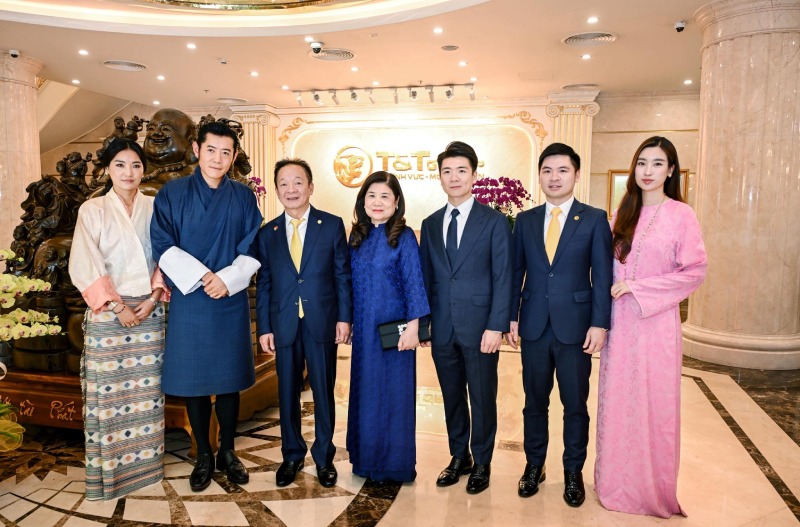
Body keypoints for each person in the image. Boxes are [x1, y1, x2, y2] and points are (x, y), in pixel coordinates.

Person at [594, 136, 707, 518]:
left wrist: (639, 288)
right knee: (618, 404)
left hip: (657, 327)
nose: (647, 171)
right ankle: (615, 484)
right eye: (642, 162)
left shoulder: (682, 215)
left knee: (654, 406)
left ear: (670, 170)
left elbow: (695, 271)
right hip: (620, 327)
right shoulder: (621, 214)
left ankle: (650, 489)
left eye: (657, 163)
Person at [150, 121, 262, 492]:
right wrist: (202, 277)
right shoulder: (172, 192)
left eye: (226, 152)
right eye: (211, 150)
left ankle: (228, 451)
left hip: (228, 297)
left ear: (234, 156)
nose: (217, 158)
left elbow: (253, 244)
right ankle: (203, 455)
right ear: (197, 149)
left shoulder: (243, 196)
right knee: (195, 380)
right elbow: (162, 243)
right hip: (192, 298)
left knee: (229, 382)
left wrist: (226, 279)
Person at [508, 142, 612, 507]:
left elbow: (603, 275)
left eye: (563, 170)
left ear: (576, 175)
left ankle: (573, 472)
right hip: (534, 325)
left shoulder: (594, 218)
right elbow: (515, 272)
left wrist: (600, 323)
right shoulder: (525, 220)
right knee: (534, 402)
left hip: (576, 328)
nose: (554, 177)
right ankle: (534, 466)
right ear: (539, 175)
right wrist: (511, 316)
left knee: (575, 404)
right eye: (547, 171)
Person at [69, 138, 167, 500]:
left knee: (146, 395)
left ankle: (145, 470)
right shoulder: (92, 209)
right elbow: (85, 262)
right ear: (107, 169)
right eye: (120, 165)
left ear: (144, 170)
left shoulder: (155, 207)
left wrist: (154, 297)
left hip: (149, 311)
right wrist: (116, 305)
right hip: (108, 313)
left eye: (136, 165)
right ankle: (110, 477)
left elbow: (166, 254)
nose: (129, 172)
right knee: (108, 396)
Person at [419, 141, 512, 494]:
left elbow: (503, 277)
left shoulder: (494, 221)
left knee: (483, 397)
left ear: (474, 175)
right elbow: (426, 279)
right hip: (443, 327)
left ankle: (482, 461)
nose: (454, 177)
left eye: (461, 170)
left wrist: (496, 325)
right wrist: (425, 325)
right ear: (440, 177)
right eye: (447, 171)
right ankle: (460, 456)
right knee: (452, 396)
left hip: (480, 327)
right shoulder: (430, 224)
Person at [255, 159, 352, 488]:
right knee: (286, 394)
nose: (291, 189)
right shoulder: (268, 233)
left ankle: (324, 457)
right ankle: (292, 455)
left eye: (298, 182)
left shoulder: (331, 225)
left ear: (310, 187)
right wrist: (264, 327)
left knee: (323, 392)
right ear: (277, 190)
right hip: (283, 323)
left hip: (322, 321)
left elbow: (342, 276)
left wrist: (344, 318)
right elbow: (265, 283)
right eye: (284, 183)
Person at [346, 171, 430, 483]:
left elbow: (414, 282)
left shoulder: (404, 237)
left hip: (395, 333)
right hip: (364, 333)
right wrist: (348, 321)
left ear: (396, 203)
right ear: (362, 201)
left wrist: (414, 326)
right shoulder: (357, 237)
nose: (377, 202)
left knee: (393, 396)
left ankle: (395, 464)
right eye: (371, 195)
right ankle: (365, 460)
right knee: (366, 393)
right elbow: (348, 284)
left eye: (385, 196)